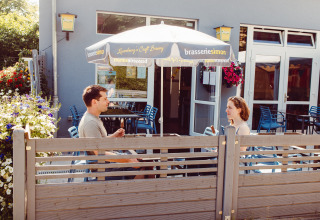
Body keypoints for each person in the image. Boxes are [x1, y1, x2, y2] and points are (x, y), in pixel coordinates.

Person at [78, 85, 142, 179]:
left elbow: (98, 143)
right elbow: (98, 153)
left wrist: (113, 136)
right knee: (144, 167)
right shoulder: (90, 123)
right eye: (105, 99)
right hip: (103, 168)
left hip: (106, 164)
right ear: (94, 102)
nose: (108, 102)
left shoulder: (93, 118)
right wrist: (127, 160)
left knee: (143, 162)